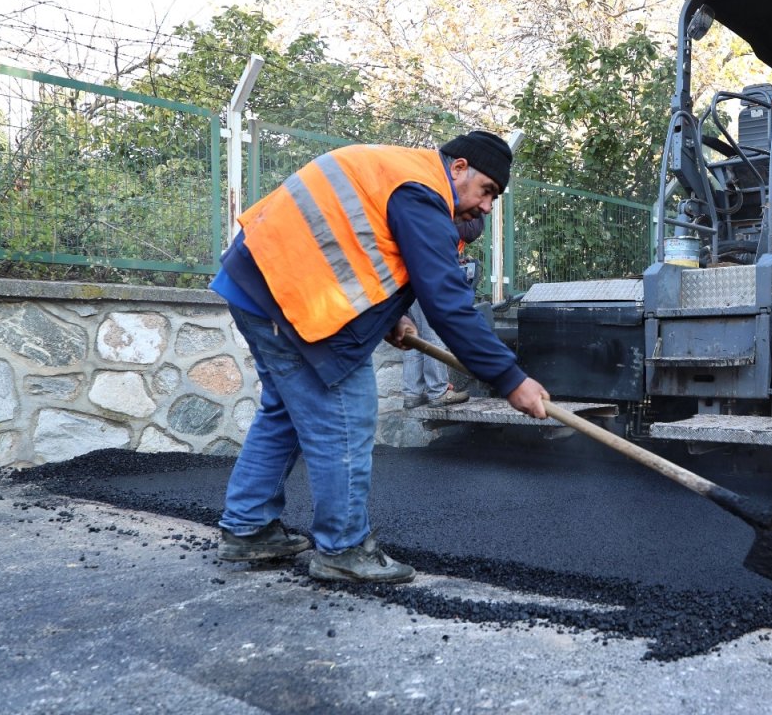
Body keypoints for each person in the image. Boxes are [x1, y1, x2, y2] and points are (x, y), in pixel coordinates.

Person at [209, 130, 550, 584]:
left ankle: (248, 529)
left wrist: (394, 317)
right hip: (291, 299)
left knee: (284, 413)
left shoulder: (400, 173)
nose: (489, 205)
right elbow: (447, 303)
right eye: (488, 190)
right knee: (348, 417)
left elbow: (363, 248)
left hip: (255, 283)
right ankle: (343, 547)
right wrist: (510, 379)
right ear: (460, 167)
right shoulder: (422, 191)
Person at [401, 214, 484, 409]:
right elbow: (469, 231)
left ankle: (412, 393)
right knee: (433, 334)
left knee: (415, 336)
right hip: (429, 277)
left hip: (411, 276)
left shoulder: (432, 213)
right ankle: (438, 391)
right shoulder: (454, 210)